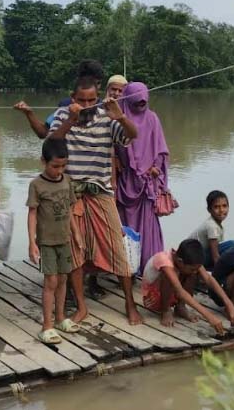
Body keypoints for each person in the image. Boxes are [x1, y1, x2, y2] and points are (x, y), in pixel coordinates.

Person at [46, 77, 143, 325]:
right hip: (71, 193)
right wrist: (71, 119)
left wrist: (120, 117)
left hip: (101, 191)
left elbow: (133, 135)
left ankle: (130, 305)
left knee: (117, 248)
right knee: (75, 252)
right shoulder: (61, 115)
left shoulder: (107, 116)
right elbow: (51, 143)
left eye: (92, 100)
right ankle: (81, 306)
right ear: (73, 98)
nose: (87, 105)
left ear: (98, 98)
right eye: (82, 100)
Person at [27, 138, 81, 344]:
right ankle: (46, 325)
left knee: (64, 278)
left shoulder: (67, 181)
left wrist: (76, 233)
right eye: (54, 166)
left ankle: (60, 318)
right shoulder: (36, 185)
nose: (59, 170)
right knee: (51, 281)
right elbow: (32, 214)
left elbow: (69, 210)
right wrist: (32, 242)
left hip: (64, 239)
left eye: (63, 166)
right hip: (47, 241)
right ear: (43, 161)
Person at [115, 82, 168, 273]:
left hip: (147, 186)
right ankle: (125, 267)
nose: (140, 107)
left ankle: (148, 265)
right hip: (126, 183)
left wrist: (156, 168)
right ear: (127, 101)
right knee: (124, 227)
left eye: (143, 103)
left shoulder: (152, 119)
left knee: (147, 227)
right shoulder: (118, 121)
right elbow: (110, 148)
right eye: (136, 103)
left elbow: (161, 149)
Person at [142, 239, 234, 334]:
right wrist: (209, 316)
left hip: (174, 293)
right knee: (169, 277)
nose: (195, 271)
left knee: (193, 273)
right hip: (153, 298)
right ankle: (165, 310)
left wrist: (230, 305)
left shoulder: (188, 259)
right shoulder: (164, 260)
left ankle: (180, 307)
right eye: (192, 268)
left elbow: (208, 279)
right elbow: (180, 291)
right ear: (180, 261)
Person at [15, 60, 105, 139]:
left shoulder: (105, 110)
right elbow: (44, 133)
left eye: (98, 83)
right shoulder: (64, 106)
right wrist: (29, 113)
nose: (94, 87)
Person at [189, 190, 234, 269]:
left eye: (224, 206)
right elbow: (215, 254)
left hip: (200, 257)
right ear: (209, 209)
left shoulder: (217, 225)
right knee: (232, 244)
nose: (221, 210)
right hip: (194, 259)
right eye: (216, 207)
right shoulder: (212, 226)